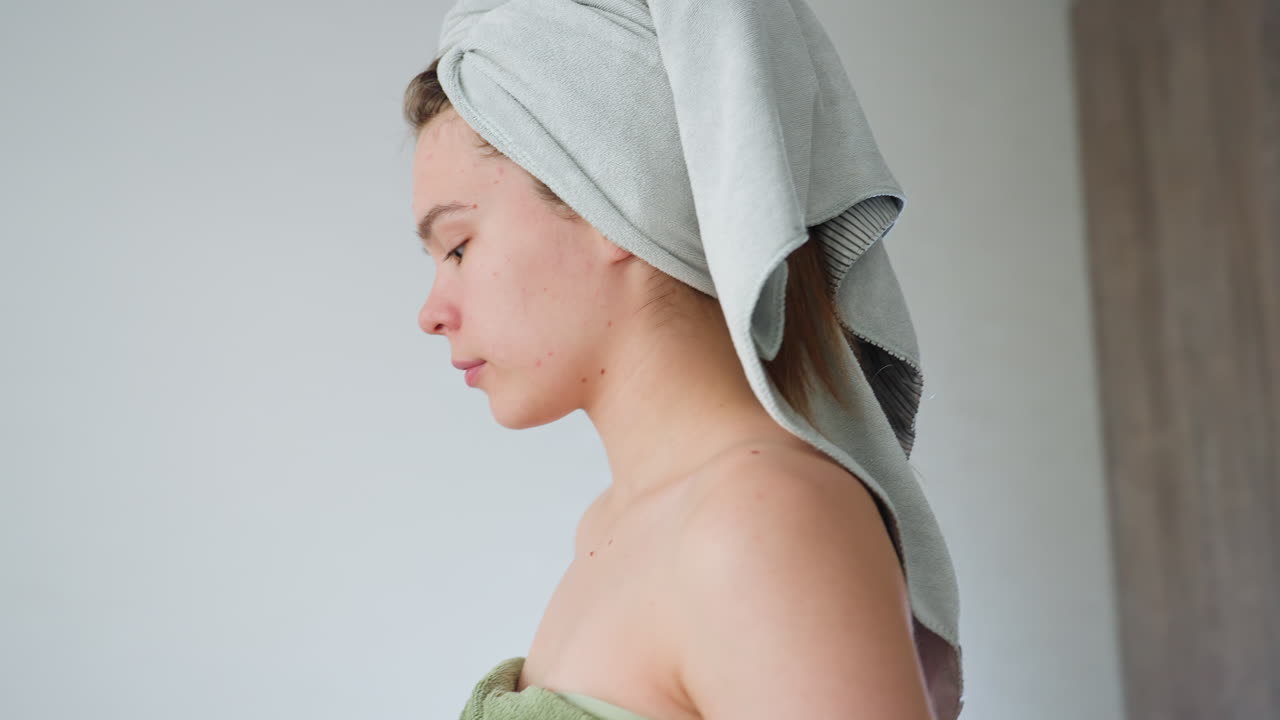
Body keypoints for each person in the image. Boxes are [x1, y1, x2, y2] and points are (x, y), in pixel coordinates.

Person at [406, 51, 947, 720]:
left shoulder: (759, 522)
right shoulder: (617, 524)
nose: (430, 313)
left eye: (458, 247)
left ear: (610, 199)